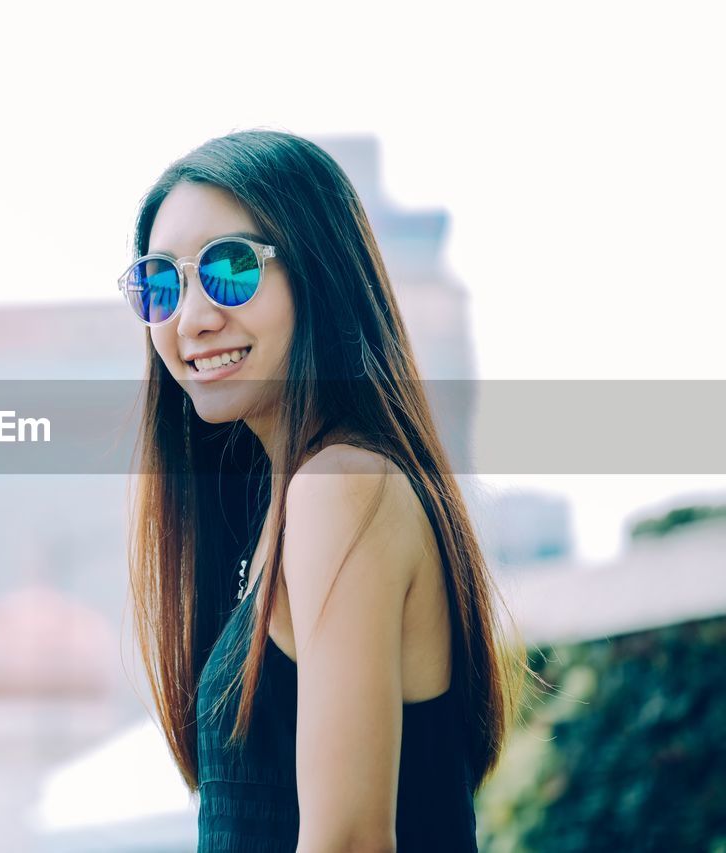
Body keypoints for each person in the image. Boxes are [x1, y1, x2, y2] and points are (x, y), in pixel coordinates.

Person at [118, 130, 525, 852]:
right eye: (160, 284)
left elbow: (348, 840)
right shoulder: (304, 500)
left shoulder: (342, 488)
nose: (193, 317)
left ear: (318, 272)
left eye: (231, 270)